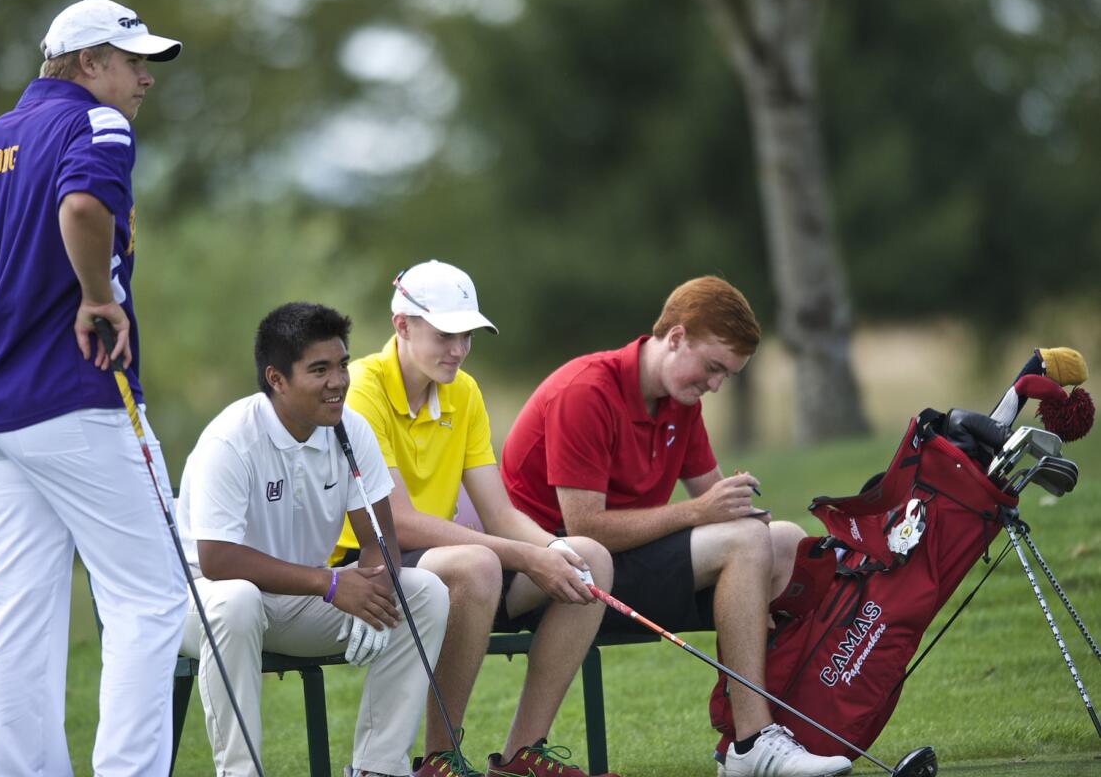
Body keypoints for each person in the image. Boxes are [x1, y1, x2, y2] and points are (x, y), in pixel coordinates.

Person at [0, 0, 188, 776]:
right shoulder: (99, 125)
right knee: (150, 597)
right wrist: (98, 297)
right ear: (86, 63)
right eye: (133, 61)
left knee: (18, 608)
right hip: (77, 401)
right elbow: (80, 206)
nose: (145, 78)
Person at [499, 277, 853, 777]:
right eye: (713, 368)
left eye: (726, 376)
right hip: (556, 577)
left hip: (622, 565)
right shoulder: (587, 391)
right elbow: (585, 528)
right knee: (748, 543)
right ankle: (753, 746)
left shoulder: (679, 402)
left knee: (785, 542)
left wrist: (739, 510)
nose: (714, 385)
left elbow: (715, 504)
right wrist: (700, 513)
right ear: (677, 337)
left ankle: (761, 730)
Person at [330, 260, 616, 777]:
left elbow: (499, 512)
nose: (458, 350)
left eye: (467, 336)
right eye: (445, 334)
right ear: (402, 326)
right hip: (367, 559)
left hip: (442, 559)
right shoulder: (362, 388)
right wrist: (526, 557)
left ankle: (523, 754)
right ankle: (439, 759)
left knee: (587, 557)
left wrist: (551, 551)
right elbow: (396, 521)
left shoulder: (464, 391)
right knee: (479, 564)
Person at [176, 302, 450, 777]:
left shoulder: (349, 428)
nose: (338, 381)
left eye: (342, 364)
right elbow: (217, 559)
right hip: (203, 603)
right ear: (276, 379)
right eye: (319, 370)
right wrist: (330, 584)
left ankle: (378, 768)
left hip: (299, 598)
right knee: (237, 600)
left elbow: (379, 539)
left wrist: (376, 586)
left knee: (424, 593)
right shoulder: (230, 439)